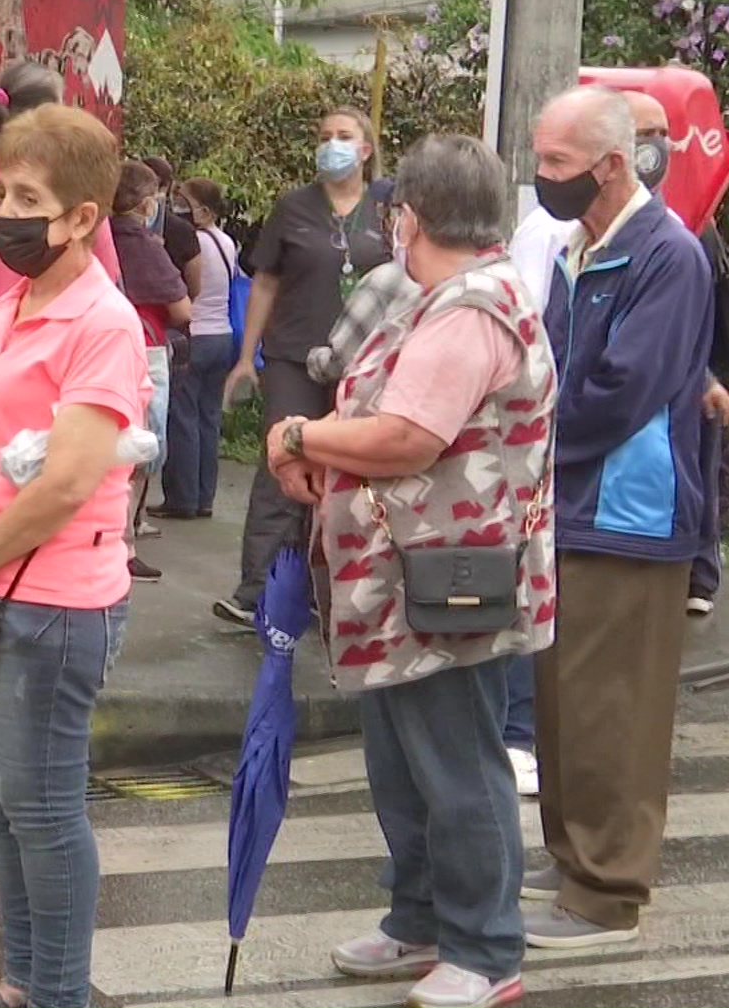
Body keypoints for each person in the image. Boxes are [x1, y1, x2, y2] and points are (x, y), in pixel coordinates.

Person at [267, 135, 553, 1008]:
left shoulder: (471, 309)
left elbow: (407, 436)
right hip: (407, 583)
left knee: (457, 767)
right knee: (405, 761)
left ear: (408, 218)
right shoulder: (443, 297)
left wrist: (299, 436)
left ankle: (485, 947)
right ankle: (421, 921)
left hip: (448, 583)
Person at [0, 104, 148, 1008]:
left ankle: (57, 993)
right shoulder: (12, 303)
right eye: (1, 189)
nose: (6, 211)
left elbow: (63, 484)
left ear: (84, 216)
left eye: (28, 197)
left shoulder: (105, 324)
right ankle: (23, 984)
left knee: (44, 814)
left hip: (56, 604)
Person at [523, 85, 715, 949]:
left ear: (609, 164)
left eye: (556, 164)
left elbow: (621, 391)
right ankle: (574, 861)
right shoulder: (577, 243)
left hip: (630, 515)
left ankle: (608, 889)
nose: (541, 177)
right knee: (564, 701)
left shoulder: (666, 255)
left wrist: (528, 437)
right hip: (572, 505)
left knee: (614, 711)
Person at [215, 107, 389, 627]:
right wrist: (247, 356)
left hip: (362, 363)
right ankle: (256, 593)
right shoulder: (293, 208)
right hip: (293, 355)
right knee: (282, 465)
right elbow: (265, 282)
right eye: (324, 136)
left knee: (348, 473)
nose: (331, 144)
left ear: (365, 150)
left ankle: (331, 593)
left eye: (343, 137)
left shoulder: (386, 210)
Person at [0, 61, 121, 418]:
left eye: (27, 200)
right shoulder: (75, 191)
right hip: (64, 381)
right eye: (2, 197)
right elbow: (106, 271)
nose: (8, 212)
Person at [110, 161, 191, 582]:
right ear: (146, 203)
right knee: (140, 451)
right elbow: (182, 307)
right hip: (145, 348)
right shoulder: (144, 245)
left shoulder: (94, 237)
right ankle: (125, 543)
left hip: (103, 349)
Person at [153, 178, 238, 520]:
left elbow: (190, 287)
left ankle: (182, 499)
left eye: (182, 200)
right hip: (223, 335)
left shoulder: (194, 242)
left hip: (197, 334)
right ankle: (204, 497)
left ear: (204, 209)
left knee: (183, 418)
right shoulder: (227, 241)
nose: (176, 205)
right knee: (208, 418)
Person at [142, 155, 204, 300]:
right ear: (168, 186)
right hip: (171, 309)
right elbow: (194, 288)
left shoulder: (115, 224)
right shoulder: (183, 230)